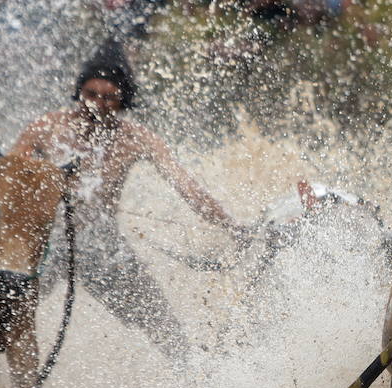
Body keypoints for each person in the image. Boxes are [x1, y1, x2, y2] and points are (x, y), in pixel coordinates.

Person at [13, 44, 248, 358]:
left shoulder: (135, 138)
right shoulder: (48, 127)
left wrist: (233, 227)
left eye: (108, 97)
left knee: (164, 324)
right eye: (91, 94)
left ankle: (191, 379)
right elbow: (9, 172)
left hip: (101, 245)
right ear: (79, 91)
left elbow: (189, 190)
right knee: (8, 310)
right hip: (48, 241)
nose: (97, 104)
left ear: (124, 100)